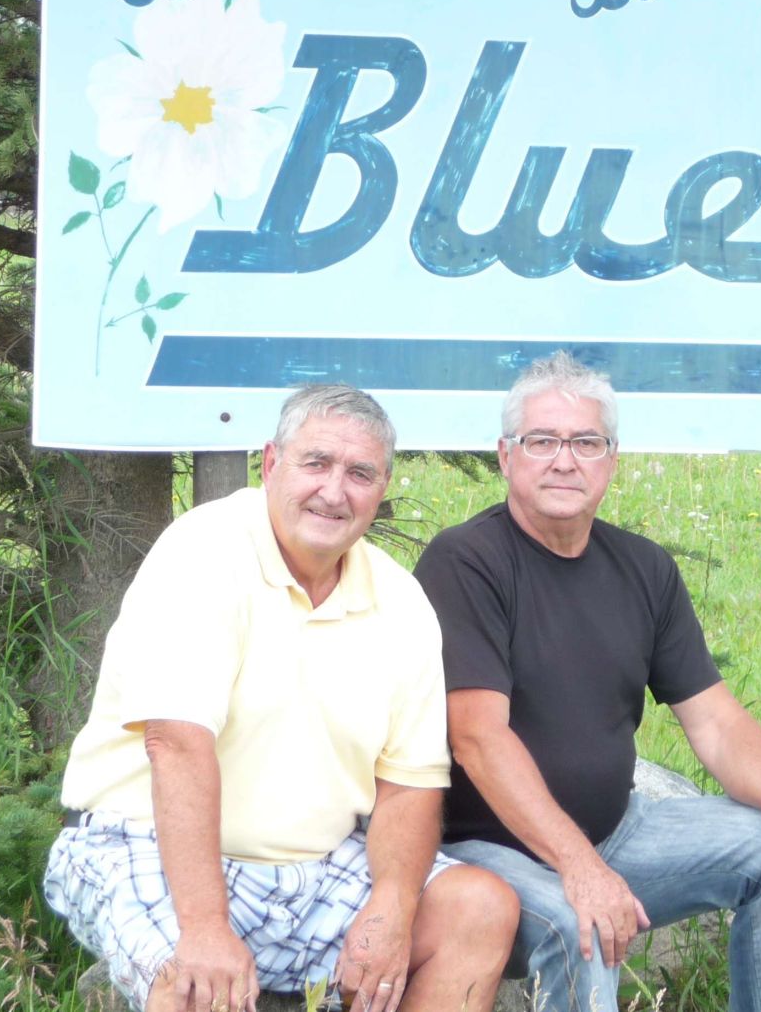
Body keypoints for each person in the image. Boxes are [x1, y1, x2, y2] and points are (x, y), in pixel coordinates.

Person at [44, 384, 517, 1012]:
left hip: (317, 867)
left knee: (480, 909)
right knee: (191, 988)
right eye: (315, 463)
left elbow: (411, 784)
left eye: (360, 473)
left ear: (382, 488)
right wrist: (206, 928)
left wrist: (393, 910)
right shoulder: (206, 550)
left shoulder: (401, 602)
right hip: (145, 843)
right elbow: (176, 743)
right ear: (271, 464)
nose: (334, 490)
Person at [413, 353, 761, 1012]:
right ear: (506, 457)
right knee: (580, 923)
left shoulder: (643, 568)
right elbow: (477, 737)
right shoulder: (466, 560)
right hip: (486, 847)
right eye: (542, 441)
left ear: (611, 462)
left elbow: (715, 721)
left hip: (619, 831)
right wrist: (581, 868)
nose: (565, 460)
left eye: (586, 443)